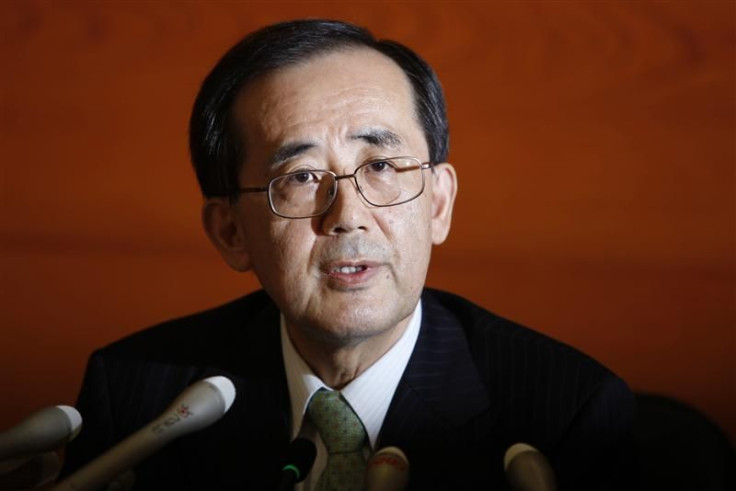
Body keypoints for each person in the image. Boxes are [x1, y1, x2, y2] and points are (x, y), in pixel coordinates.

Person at [62, 19, 636, 490]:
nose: (348, 215)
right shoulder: (141, 400)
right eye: (302, 176)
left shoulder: (564, 414)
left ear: (438, 204)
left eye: (381, 167)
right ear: (230, 231)